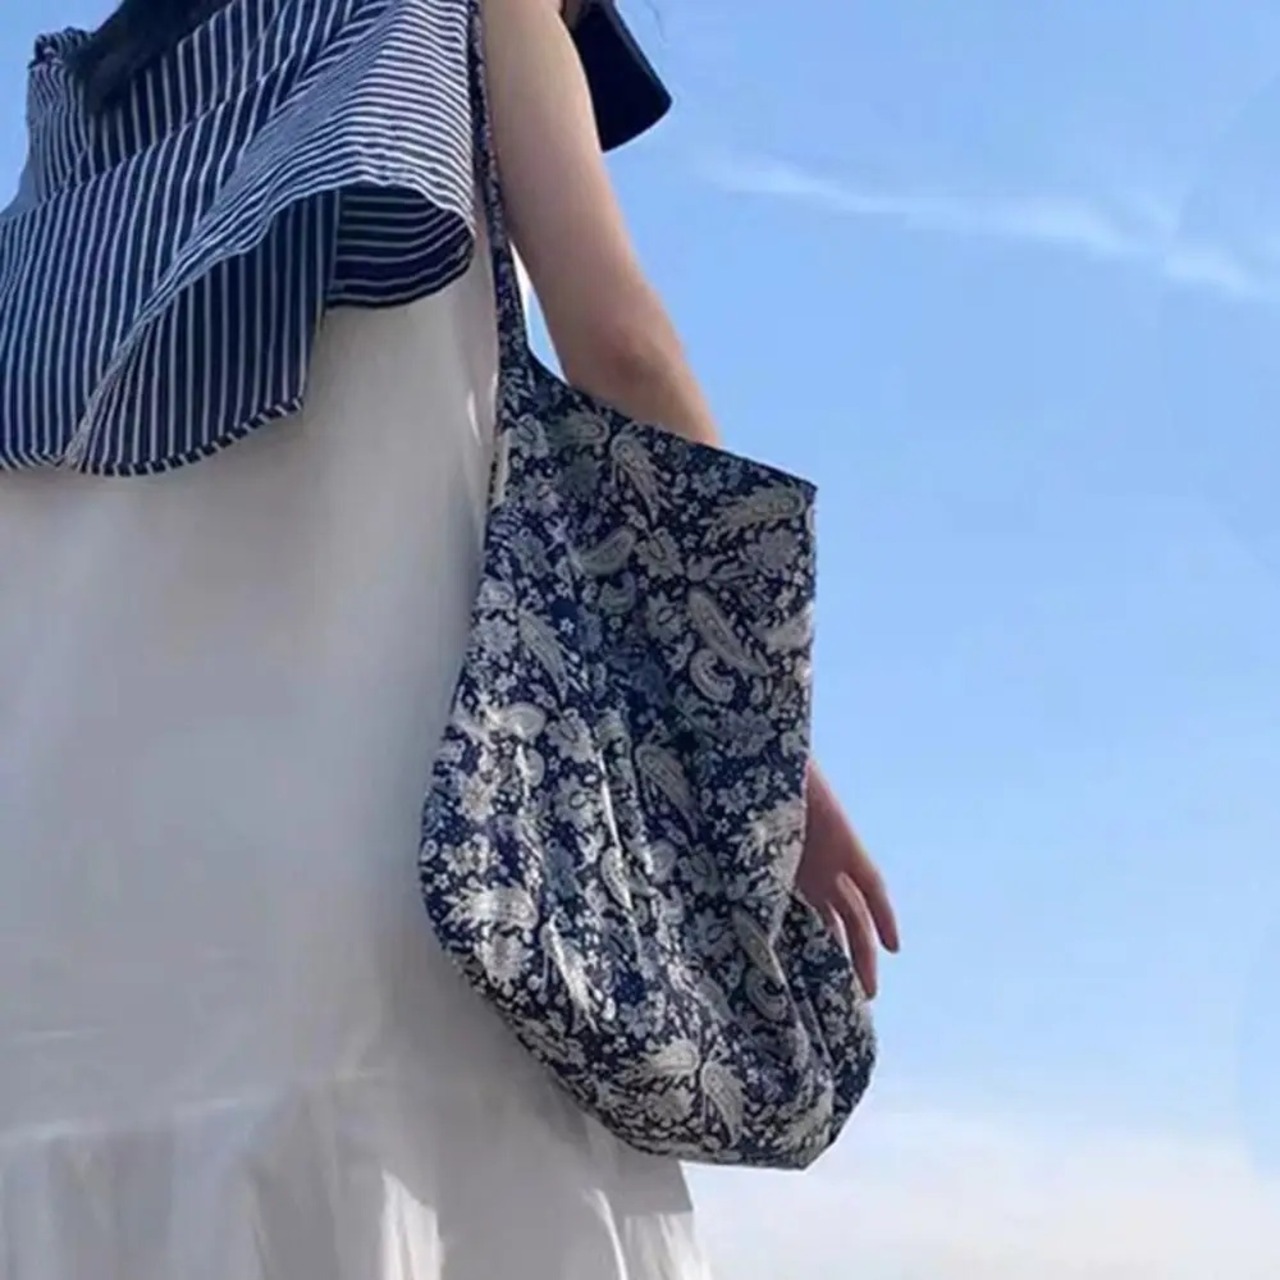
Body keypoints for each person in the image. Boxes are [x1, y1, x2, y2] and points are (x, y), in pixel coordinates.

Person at [0, 0, 899, 1276]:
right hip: (396, 858)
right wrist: (755, 746)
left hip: (62, 920)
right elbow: (623, 347)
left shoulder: (82, 108)